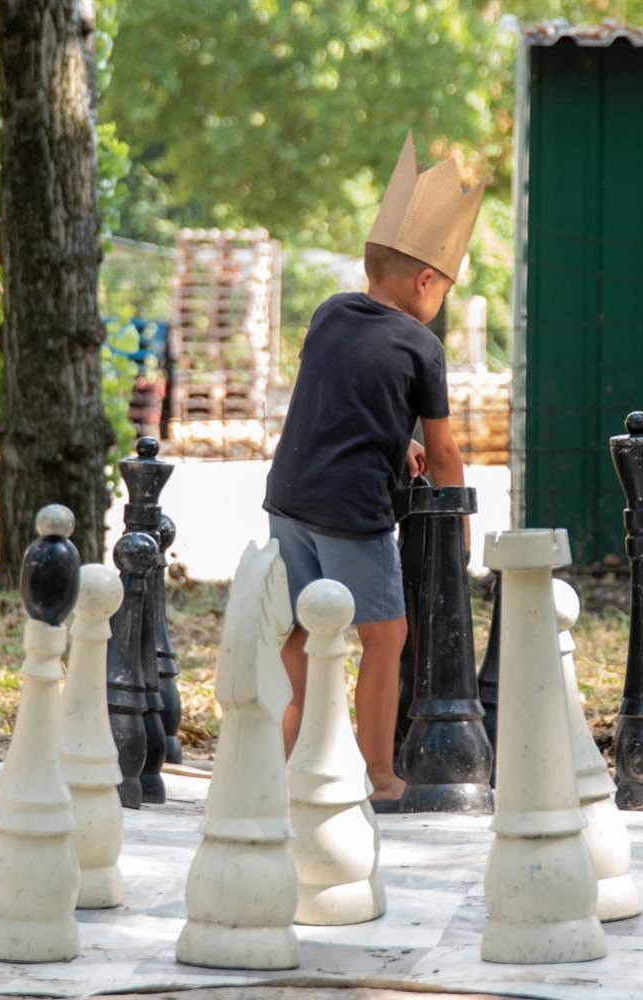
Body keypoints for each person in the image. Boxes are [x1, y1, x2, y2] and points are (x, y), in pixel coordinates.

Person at [263, 132, 483, 810]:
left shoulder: (330, 313)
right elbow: (443, 452)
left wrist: (394, 441)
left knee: (301, 628)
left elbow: (346, 396)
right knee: (383, 635)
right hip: (352, 512)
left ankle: (278, 764)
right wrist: (458, 519)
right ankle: (380, 777)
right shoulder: (421, 345)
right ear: (425, 281)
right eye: (444, 289)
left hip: (289, 495)